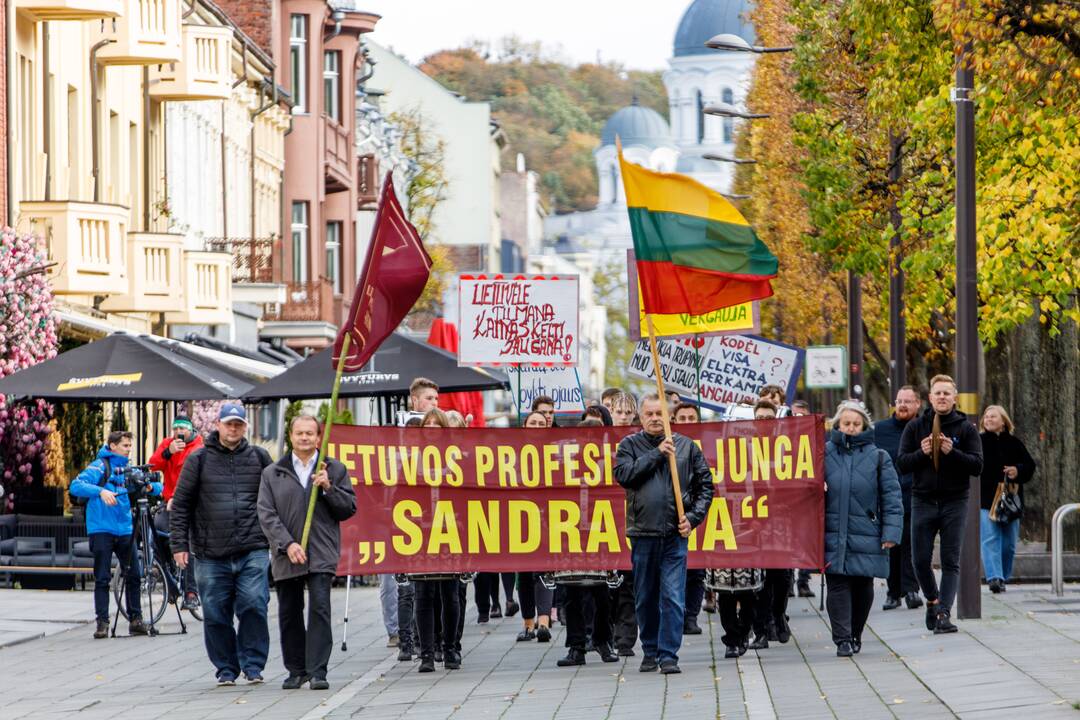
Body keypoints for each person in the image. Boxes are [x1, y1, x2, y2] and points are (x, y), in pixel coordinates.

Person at [171, 403, 273, 686]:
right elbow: (181, 505)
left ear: (245, 427)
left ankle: (253, 665)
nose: (233, 429)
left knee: (254, 605)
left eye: (238, 424)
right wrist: (179, 544)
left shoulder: (259, 457)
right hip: (209, 552)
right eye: (229, 424)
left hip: (252, 548)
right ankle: (226, 668)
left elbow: (277, 497)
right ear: (218, 425)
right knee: (215, 612)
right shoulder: (199, 459)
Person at [615, 394, 714, 674]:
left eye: (660, 413)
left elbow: (706, 486)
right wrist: (658, 454)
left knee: (672, 595)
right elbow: (624, 475)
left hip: (674, 534)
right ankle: (650, 649)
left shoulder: (687, 447)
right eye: (650, 414)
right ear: (641, 418)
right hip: (643, 533)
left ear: (669, 416)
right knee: (645, 595)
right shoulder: (629, 445)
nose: (656, 418)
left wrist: (693, 518)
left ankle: (669, 654)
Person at [258, 415, 356, 690]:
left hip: (320, 550)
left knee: (320, 609)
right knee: (289, 611)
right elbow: (266, 514)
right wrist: (287, 544)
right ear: (290, 436)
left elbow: (348, 508)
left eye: (309, 433)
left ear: (318, 437)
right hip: (286, 552)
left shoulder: (333, 469)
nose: (304, 438)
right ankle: (296, 669)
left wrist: (328, 488)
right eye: (299, 433)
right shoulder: (273, 472)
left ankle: (318, 670)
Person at [897, 375, 983, 635]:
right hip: (922, 499)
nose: (942, 397)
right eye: (938, 393)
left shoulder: (965, 428)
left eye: (947, 393)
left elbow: (977, 466)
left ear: (954, 398)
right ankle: (932, 601)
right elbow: (901, 463)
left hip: (954, 500)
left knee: (950, 559)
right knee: (919, 560)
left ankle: (945, 613)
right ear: (930, 398)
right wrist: (922, 453)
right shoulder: (915, 427)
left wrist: (951, 452)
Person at [824, 401, 903, 657]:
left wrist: (891, 532)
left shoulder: (878, 457)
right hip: (832, 532)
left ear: (864, 426)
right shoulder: (822, 453)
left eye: (856, 424)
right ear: (837, 424)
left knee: (862, 587)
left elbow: (891, 497)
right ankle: (843, 639)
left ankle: (856, 632)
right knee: (837, 584)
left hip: (866, 531)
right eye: (846, 423)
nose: (851, 428)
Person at [70, 430, 161, 639]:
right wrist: (100, 491)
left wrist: (148, 485)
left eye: (130, 446)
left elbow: (157, 488)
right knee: (102, 577)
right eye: (125, 446)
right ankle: (102, 622)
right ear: (112, 446)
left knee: (134, 575)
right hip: (101, 528)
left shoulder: (128, 468)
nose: (128, 450)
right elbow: (76, 486)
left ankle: (135, 620)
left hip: (125, 529)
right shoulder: (100, 465)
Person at [413, 408, 464, 672]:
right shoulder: (413, 459)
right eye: (427, 424)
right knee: (423, 593)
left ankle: (451, 647)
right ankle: (426, 652)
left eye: (436, 424)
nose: (432, 428)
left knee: (450, 593)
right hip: (420, 533)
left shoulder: (455, 458)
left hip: (450, 531)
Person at [395, 378, 441, 662]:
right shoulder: (400, 443)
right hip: (407, 523)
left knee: (431, 588)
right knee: (406, 588)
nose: (434, 404)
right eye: (429, 399)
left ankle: (432, 640)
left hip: (436, 526)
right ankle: (406, 641)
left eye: (437, 399)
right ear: (415, 401)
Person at [746, 400, 792, 649]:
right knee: (758, 579)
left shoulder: (787, 449)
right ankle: (761, 630)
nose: (764, 421)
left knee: (782, 576)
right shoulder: (745, 449)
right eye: (760, 417)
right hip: (754, 520)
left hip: (782, 520)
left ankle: (779, 614)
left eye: (769, 417)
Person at [874, 386, 924, 611]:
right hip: (889, 497)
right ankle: (893, 592)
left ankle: (912, 590)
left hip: (917, 494)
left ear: (918, 404)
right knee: (892, 546)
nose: (903, 405)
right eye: (899, 400)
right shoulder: (880, 429)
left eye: (908, 401)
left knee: (913, 545)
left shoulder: (925, 428)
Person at [979, 405, 1036, 593]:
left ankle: (1004, 575)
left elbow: (1029, 466)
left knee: (1009, 543)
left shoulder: (1014, 443)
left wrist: (1017, 470)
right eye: (986, 417)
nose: (988, 419)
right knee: (990, 538)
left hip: (1011, 499)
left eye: (993, 417)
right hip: (985, 499)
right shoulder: (977, 442)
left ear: (1003, 421)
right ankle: (994, 578)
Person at [149, 415, 203, 610]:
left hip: (190, 504)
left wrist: (180, 499)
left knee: (189, 543)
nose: (179, 432)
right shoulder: (168, 444)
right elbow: (152, 465)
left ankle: (191, 592)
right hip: (168, 502)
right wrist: (167, 453)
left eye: (183, 428)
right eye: (176, 429)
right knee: (156, 531)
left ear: (191, 430)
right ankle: (166, 575)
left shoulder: (198, 447)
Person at [516, 410, 557, 644]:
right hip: (520, 517)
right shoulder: (514, 451)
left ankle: (543, 622)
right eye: (533, 422)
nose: (538, 426)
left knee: (544, 568)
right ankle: (528, 623)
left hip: (548, 517)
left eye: (542, 423)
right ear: (525, 425)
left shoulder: (554, 452)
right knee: (524, 571)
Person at [608, 390, 640, 656]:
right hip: (605, 520)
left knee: (629, 581)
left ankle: (625, 638)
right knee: (609, 582)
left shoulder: (641, 442)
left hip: (633, 517)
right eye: (618, 412)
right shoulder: (600, 440)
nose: (622, 417)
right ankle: (607, 633)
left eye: (627, 413)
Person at [672, 402, 706, 636]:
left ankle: (691, 616)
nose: (687, 422)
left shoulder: (709, 441)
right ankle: (678, 613)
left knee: (698, 570)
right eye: (682, 418)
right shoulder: (669, 444)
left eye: (691, 418)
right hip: (673, 514)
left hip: (700, 512)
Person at [788, 400, 816, 597]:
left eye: (801, 415)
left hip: (808, 497)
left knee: (806, 539)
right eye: (793, 415)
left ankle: (803, 580)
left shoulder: (815, 436)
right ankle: (788, 580)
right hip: (788, 498)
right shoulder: (782, 437)